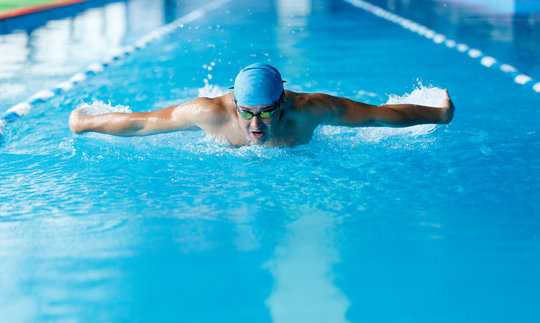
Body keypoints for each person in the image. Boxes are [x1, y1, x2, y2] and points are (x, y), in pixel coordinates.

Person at [69, 63, 454, 147]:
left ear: (282, 101)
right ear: (234, 103)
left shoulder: (311, 108)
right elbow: (142, 123)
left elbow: (379, 116)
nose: (256, 124)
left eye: (266, 112)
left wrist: (438, 114)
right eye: (247, 112)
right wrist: (84, 124)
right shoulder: (210, 113)